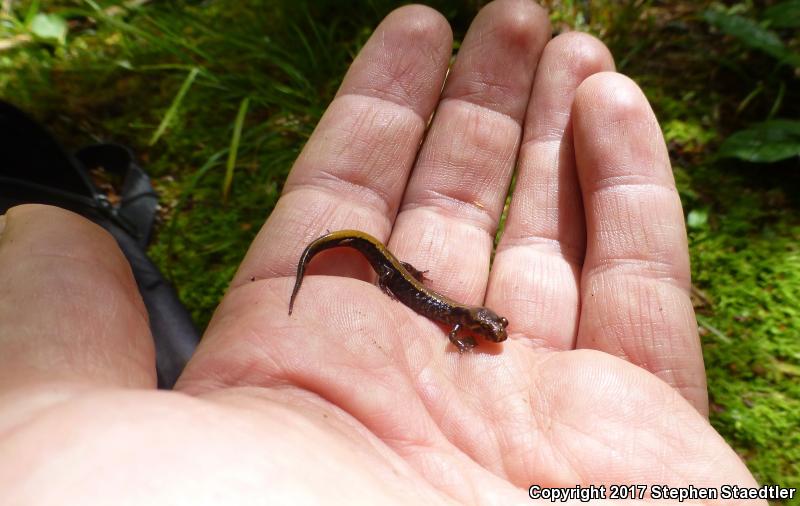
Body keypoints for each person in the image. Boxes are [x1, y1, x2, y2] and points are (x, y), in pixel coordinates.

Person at [0, 1, 765, 504]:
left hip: (397, 274)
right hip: (390, 273)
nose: (488, 335)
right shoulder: (462, 322)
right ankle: (333, 261)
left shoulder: (469, 321)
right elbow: (462, 323)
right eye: (491, 332)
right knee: (386, 271)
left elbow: (469, 322)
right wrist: (450, 320)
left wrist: (467, 325)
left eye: (488, 333)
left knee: (394, 273)